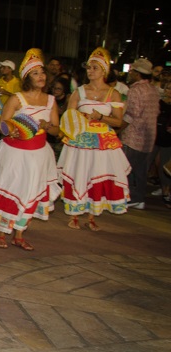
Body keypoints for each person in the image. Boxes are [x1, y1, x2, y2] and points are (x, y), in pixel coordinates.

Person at [0, 49, 61, 251]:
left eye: (42, 72)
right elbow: (2, 125)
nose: (41, 76)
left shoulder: (51, 101)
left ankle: (19, 234)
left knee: (32, 190)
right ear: (27, 77)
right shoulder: (17, 99)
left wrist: (46, 126)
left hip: (39, 153)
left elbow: (57, 130)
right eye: (35, 73)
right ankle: (1, 232)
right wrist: (13, 130)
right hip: (15, 152)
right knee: (11, 188)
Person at [57, 47, 130, 230]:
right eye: (89, 67)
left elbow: (118, 121)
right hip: (81, 139)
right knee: (79, 173)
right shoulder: (79, 92)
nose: (90, 71)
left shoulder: (113, 93)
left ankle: (92, 215)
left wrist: (100, 117)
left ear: (104, 70)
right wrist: (79, 120)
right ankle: (74, 214)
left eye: (95, 67)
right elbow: (68, 116)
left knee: (97, 174)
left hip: (103, 141)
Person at [121, 58, 160, 209]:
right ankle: (139, 198)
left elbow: (131, 114)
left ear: (137, 74)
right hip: (149, 137)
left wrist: (119, 127)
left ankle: (130, 197)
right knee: (141, 169)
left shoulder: (135, 90)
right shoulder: (153, 90)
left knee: (127, 168)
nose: (130, 73)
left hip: (134, 136)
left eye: (132, 71)